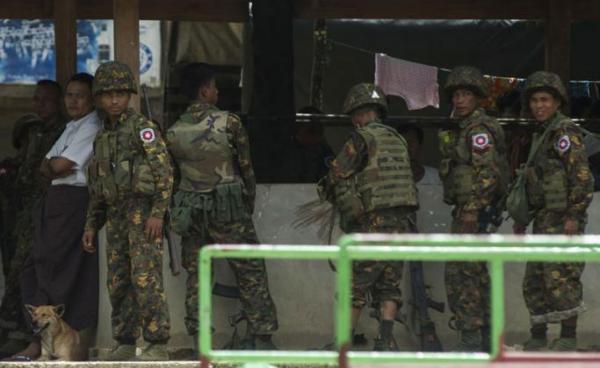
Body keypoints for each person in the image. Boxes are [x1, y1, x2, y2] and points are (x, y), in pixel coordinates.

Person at [167, 63, 278, 354]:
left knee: (198, 275)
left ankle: (199, 342)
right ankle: (262, 339)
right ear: (205, 91)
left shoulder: (174, 130)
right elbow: (246, 170)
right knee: (250, 270)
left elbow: (173, 179)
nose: (216, 91)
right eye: (214, 86)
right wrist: (246, 205)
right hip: (229, 209)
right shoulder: (229, 123)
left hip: (192, 211)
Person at [5, 73, 102, 362]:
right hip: (55, 199)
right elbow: (45, 166)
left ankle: (50, 346)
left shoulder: (92, 124)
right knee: (33, 268)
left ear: (92, 98)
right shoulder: (72, 126)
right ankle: (38, 342)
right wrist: (53, 167)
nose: (72, 101)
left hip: (72, 200)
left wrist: (54, 167)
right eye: (69, 95)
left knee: (56, 270)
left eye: (80, 95)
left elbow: (59, 165)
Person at [82, 61, 173, 361]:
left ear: (130, 94)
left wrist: (158, 213)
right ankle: (124, 339)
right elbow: (98, 185)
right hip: (116, 215)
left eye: (121, 93)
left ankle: (157, 342)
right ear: (99, 97)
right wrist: (91, 225)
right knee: (118, 280)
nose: (114, 100)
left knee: (146, 278)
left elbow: (164, 172)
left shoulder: (142, 128)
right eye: (108, 94)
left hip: (143, 213)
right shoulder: (102, 137)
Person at [317, 83, 418, 351]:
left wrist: (332, 192)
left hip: (375, 222)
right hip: (402, 222)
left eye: (354, 115)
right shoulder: (397, 139)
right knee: (389, 284)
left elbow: (337, 172)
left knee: (355, 283)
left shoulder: (361, 139)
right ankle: (385, 342)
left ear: (359, 113)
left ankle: (343, 342)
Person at [514, 71, 593, 352]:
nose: (539, 105)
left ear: (557, 102)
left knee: (561, 277)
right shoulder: (543, 133)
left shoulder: (564, 131)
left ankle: (568, 336)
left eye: (545, 99)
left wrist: (573, 215)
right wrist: (523, 218)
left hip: (563, 220)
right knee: (535, 279)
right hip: (544, 218)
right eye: (535, 100)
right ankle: (538, 335)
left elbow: (582, 178)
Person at [438, 66, 509, 352]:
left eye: (466, 94)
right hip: (470, 211)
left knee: (463, 276)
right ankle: (487, 340)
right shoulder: (465, 127)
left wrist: (471, 209)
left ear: (478, 97)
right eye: (456, 94)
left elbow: (488, 175)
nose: (459, 100)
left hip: (474, 213)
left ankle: (472, 341)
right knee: (475, 274)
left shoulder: (478, 130)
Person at [0, 80, 66, 357]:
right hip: (20, 208)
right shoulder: (32, 130)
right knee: (13, 268)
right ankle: (12, 329)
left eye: (46, 100)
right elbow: (23, 163)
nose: (40, 105)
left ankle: (22, 333)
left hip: (43, 210)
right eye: (36, 100)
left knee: (26, 270)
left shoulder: (63, 131)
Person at [283, 106, 334, 183]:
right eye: (312, 129)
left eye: (319, 129)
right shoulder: (287, 151)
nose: (317, 135)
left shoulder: (324, 151)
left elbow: (333, 174)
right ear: (299, 128)